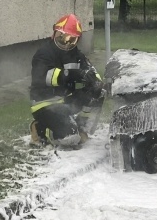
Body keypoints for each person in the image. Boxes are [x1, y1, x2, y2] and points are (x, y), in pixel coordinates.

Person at [29, 14, 105, 147]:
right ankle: (40, 128)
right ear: (54, 34)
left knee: (98, 92)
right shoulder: (44, 53)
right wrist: (72, 74)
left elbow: (92, 72)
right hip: (46, 103)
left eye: (71, 39)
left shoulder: (77, 55)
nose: (66, 42)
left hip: (66, 100)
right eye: (62, 37)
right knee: (70, 139)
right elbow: (44, 77)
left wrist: (95, 81)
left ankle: (81, 128)